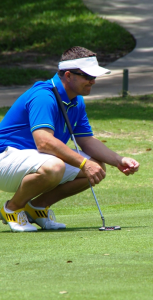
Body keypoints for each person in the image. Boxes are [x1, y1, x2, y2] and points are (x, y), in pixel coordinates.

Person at [0, 46, 139, 232]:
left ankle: (36, 208)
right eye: (88, 77)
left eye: (94, 77)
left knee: (96, 168)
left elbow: (86, 140)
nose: (93, 82)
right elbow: (44, 142)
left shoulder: (76, 100)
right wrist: (83, 163)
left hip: (32, 161)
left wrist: (118, 160)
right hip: (6, 158)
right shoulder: (44, 96)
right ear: (68, 75)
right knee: (56, 166)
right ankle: (12, 208)